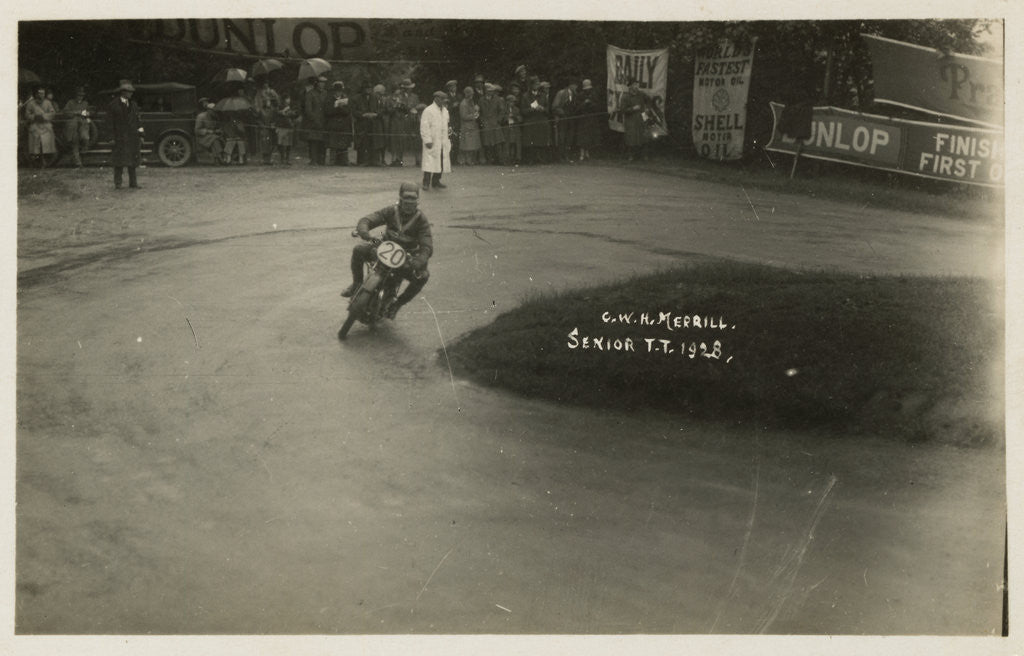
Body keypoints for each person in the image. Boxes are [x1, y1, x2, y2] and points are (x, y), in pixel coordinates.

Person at [340, 182, 434, 320]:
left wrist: (418, 261)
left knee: (423, 276)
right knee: (359, 250)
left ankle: (397, 304)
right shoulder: (391, 211)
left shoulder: (422, 220)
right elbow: (368, 219)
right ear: (400, 199)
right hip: (384, 249)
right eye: (406, 199)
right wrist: (364, 231)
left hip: (405, 259)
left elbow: (427, 245)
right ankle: (356, 284)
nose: (409, 204)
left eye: (412, 200)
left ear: (417, 202)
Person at [107, 79, 143, 188]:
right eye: (129, 91)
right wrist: (111, 138)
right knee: (119, 161)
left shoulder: (134, 105)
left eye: (131, 91)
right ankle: (118, 183)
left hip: (132, 137)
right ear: (123, 92)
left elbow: (139, 121)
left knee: (133, 160)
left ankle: (133, 183)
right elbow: (109, 123)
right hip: (119, 138)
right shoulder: (113, 105)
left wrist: (141, 135)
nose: (131, 93)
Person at [419, 90, 451, 190]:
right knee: (429, 162)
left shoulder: (445, 111)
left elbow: (446, 123)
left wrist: (448, 132)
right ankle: (426, 182)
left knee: (441, 161)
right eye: (442, 99)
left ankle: (436, 181)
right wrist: (427, 140)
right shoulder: (428, 110)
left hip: (442, 140)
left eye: (444, 100)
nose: (443, 102)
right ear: (436, 99)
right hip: (432, 140)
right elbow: (424, 127)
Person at [24, 85, 57, 168]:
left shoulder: (48, 103)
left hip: (45, 124)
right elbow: (27, 115)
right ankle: (35, 161)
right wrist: (34, 116)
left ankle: (46, 160)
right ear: (36, 94)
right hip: (35, 124)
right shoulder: (31, 104)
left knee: (47, 140)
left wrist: (44, 116)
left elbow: (53, 113)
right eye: (39, 93)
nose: (41, 95)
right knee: (35, 141)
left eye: (43, 93)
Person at [62, 86, 95, 168]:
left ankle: (82, 157)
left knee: (85, 139)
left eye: (81, 95)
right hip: (73, 126)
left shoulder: (85, 103)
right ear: (75, 96)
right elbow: (65, 112)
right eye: (78, 95)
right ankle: (78, 163)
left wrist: (87, 114)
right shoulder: (70, 103)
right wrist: (76, 113)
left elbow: (90, 112)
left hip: (83, 125)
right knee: (74, 142)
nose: (80, 97)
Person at [519, 79, 549, 164]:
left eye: (538, 84)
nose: (537, 86)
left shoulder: (543, 95)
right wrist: (532, 109)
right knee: (530, 142)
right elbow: (523, 111)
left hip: (541, 120)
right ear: (531, 85)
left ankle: (541, 158)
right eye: (535, 84)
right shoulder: (525, 96)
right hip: (530, 121)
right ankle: (530, 159)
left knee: (541, 141)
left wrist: (542, 109)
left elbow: (548, 109)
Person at [323, 80, 352, 166]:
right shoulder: (329, 99)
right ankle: (332, 161)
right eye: (336, 91)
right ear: (334, 91)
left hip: (343, 124)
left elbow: (348, 111)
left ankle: (344, 161)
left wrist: (341, 108)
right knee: (333, 144)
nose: (338, 93)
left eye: (340, 91)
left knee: (343, 143)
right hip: (333, 124)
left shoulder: (345, 99)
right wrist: (336, 108)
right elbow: (327, 112)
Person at [619, 77, 648, 161]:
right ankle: (631, 156)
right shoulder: (625, 97)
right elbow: (622, 110)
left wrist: (647, 111)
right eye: (634, 84)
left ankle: (643, 156)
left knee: (643, 137)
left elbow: (649, 101)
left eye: (637, 84)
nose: (636, 86)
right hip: (630, 120)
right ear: (630, 86)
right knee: (631, 138)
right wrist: (633, 109)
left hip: (642, 118)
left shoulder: (641, 94)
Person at [253, 77, 281, 165]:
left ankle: (269, 159)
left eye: (269, 101)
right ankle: (265, 159)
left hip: (271, 128)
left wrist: (274, 124)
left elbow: (276, 117)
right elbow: (257, 118)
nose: (268, 102)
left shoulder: (273, 110)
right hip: (264, 128)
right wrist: (261, 125)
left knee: (271, 143)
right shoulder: (261, 110)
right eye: (266, 101)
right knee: (264, 143)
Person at [551, 80, 579, 162]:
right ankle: (560, 156)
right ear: (570, 85)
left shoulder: (575, 94)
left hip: (571, 119)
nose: (576, 87)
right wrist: (562, 113)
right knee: (561, 137)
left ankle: (567, 155)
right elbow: (554, 106)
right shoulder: (561, 93)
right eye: (575, 85)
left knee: (569, 138)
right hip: (562, 118)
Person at [302, 75, 327, 165]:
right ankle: (313, 159)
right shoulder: (310, 94)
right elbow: (308, 110)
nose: (322, 85)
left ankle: (321, 160)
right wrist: (314, 119)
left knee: (323, 141)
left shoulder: (325, 93)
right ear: (316, 83)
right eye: (320, 82)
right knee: (313, 141)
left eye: (324, 83)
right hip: (313, 121)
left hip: (324, 121)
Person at [478, 83, 506, 165]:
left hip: (495, 123)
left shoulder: (497, 99)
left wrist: (498, 120)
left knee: (498, 143)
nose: (490, 92)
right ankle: (490, 160)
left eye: (492, 91)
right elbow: (478, 112)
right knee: (487, 143)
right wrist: (482, 121)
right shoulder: (481, 100)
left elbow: (502, 111)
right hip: (486, 124)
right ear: (485, 91)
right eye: (489, 91)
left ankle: (500, 160)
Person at [574, 79, 601, 162]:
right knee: (582, 137)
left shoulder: (594, 95)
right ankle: (581, 154)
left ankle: (587, 153)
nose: (587, 90)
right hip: (583, 118)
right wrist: (584, 103)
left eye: (589, 89)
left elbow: (598, 107)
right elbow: (576, 109)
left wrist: (591, 103)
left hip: (591, 118)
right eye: (586, 89)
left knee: (590, 136)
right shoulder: (579, 96)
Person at [194, 98, 224, 164]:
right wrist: (207, 131)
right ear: (209, 110)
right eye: (213, 111)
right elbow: (197, 130)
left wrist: (219, 130)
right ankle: (219, 157)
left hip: (213, 136)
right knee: (214, 140)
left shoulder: (215, 117)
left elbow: (218, 127)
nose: (215, 112)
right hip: (203, 137)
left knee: (216, 138)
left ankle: (218, 158)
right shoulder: (201, 116)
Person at [458, 86, 481, 165]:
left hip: (472, 126)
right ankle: (466, 160)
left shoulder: (471, 102)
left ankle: (470, 160)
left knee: (472, 145)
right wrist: (473, 116)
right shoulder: (463, 104)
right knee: (467, 145)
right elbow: (463, 116)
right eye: (470, 94)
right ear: (467, 94)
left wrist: (476, 110)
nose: (472, 95)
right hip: (467, 126)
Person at [275, 96, 296, 165]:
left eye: (289, 99)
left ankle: (287, 159)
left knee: (289, 144)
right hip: (282, 127)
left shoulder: (291, 106)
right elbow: (278, 113)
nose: (288, 100)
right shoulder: (280, 106)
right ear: (284, 99)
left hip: (289, 127)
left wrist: (292, 114)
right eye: (287, 98)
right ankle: (282, 159)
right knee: (282, 144)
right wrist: (285, 111)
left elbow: (295, 114)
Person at [444, 80, 460, 163]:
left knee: (456, 139)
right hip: (450, 120)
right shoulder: (446, 97)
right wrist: (452, 106)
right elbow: (445, 109)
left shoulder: (459, 96)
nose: (454, 88)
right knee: (450, 139)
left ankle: (455, 159)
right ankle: (449, 158)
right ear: (449, 88)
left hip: (457, 120)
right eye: (452, 87)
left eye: (455, 86)